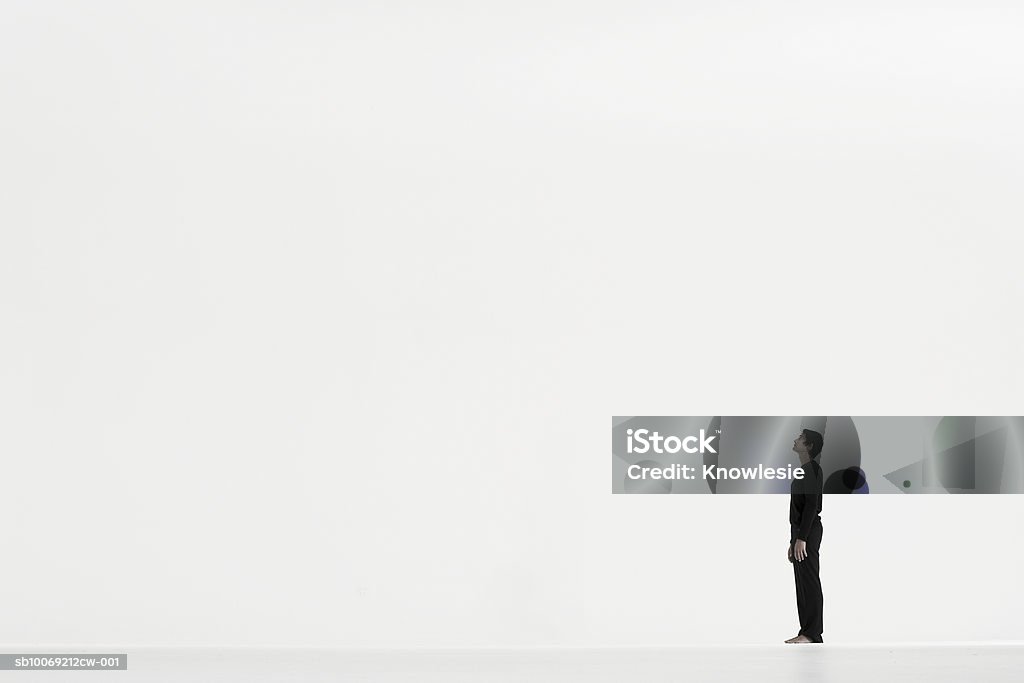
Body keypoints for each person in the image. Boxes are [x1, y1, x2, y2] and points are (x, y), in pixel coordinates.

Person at [784, 429, 825, 644]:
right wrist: (794, 539)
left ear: (808, 446)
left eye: (800, 438)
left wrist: (802, 538)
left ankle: (812, 634)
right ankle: (806, 631)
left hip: (807, 532)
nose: (795, 439)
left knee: (809, 581)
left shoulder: (812, 470)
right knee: (801, 582)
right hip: (800, 532)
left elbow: (811, 507)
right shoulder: (804, 470)